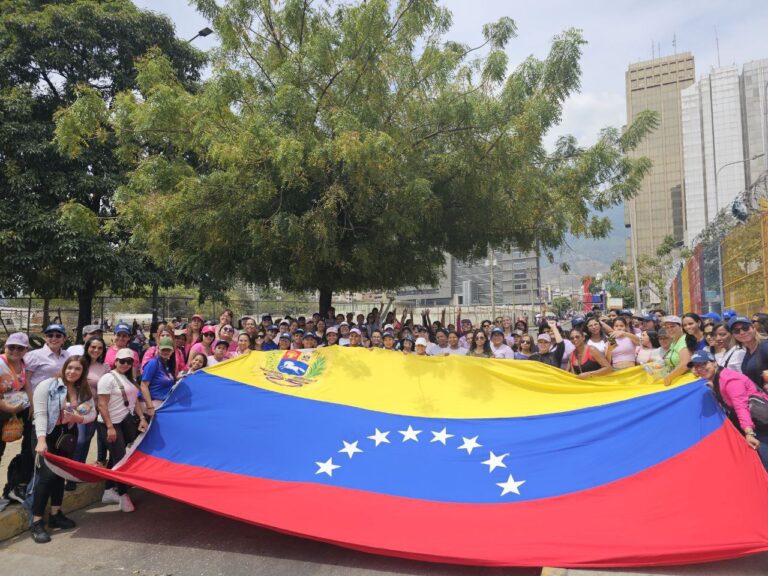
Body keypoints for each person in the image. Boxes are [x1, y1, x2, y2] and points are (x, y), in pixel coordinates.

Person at [31, 356, 96, 543]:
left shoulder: (82, 390)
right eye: (70, 368)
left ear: (82, 372)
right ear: (64, 367)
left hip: (67, 435)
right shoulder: (47, 385)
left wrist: (79, 419)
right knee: (46, 477)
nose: (72, 372)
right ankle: (36, 522)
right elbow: (41, 414)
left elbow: (92, 413)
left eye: (77, 369)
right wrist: (41, 440)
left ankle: (55, 514)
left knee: (61, 474)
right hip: (46, 433)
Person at [688, 349, 768, 471]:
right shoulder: (715, 379)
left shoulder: (730, 381)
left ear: (714, 362)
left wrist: (749, 433)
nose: (700, 369)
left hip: (760, 424)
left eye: (704, 364)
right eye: (696, 367)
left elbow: (741, 407)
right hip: (752, 422)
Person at [97, 348, 148, 512]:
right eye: (122, 361)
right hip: (110, 424)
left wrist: (141, 418)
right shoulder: (107, 378)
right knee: (120, 458)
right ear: (115, 361)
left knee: (116, 456)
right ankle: (123, 495)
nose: (125, 364)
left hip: (125, 423)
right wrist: (110, 427)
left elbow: (134, 402)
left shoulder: (130, 379)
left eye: (129, 362)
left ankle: (108, 491)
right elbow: (102, 404)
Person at [1, 333, 34, 505]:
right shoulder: (0, 364)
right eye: (11, 347)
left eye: (20, 348)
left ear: (26, 350)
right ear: (5, 347)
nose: (15, 350)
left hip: (14, 411)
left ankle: (14, 488)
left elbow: (26, 383)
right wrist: (10, 408)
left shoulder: (22, 363)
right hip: (5, 410)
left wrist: (32, 405)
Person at [71, 337, 110, 473]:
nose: (96, 350)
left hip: (94, 408)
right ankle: (72, 472)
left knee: (87, 439)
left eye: (100, 348)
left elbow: (106, 388)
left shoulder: (105, 367)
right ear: (87, 347)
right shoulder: (79, 362)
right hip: (78, 407)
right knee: (80, 440)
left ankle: (80, 471)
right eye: (93, 347)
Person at [25, 323, 70, 391]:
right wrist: (31, 400)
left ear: (64, 339)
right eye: (50, 335)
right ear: (46, 338)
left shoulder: (67, 355)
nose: (54, 338)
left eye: (58, 336)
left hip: (59, 396)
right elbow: (26, 380)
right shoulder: (34, 355)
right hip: (38, 397)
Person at [140, 337, 176, 421]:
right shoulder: (153, 363)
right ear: (158, 349)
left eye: (168, 350)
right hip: (152, 406)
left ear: (172, 351)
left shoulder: (166, 364)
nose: (166, 352)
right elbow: (143, 385)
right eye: (163, 349)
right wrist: (150, 407)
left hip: (161, 405)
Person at [729, 315, 768, 390]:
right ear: (733, 335)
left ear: (753, 328)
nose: (742, 332)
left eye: (745, 328)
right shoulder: (747, 352)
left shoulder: (765, 346)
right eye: (736, 331)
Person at [662, 316, 694, 387]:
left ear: (681, 327)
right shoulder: (674, 341)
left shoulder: (683, 340)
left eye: (672, 326)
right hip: (678, 380)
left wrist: (669, 377)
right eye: (667, 327)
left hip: (686, 382)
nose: (669, 329)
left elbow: (685, 364)